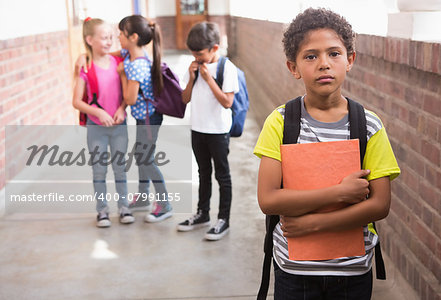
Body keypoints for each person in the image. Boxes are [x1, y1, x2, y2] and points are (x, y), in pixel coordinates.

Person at [253, 8, 401, 299]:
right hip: (294, 271)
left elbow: (380, 205)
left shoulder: (368, 125)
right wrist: (339, 193)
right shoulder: (281, 122)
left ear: (350, 60)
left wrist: (312, 223)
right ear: (293, 67)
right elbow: (268, 199)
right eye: (311, 56)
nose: (324, 64)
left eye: (334, 53)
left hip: (352, 272)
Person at [176, 22, 239, 241]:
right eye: (193, 54)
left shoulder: (226, 68)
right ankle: (202, 213)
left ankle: (223, 219)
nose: (197, 58)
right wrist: (193, 78)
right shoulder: (193, 67)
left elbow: (227, 102)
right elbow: (185, 99)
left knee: (222, 175)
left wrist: (208, 79)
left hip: (218, 131)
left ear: (215, 48)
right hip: (197, 129)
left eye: (200, 53)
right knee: (203, 173)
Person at [72, 18, 134, 227]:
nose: (109, 42)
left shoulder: (118, 64)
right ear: (89, 39)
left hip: (119, 127)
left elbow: (126, 95)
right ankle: (102, 211)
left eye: (111, 38)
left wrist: (121, 109)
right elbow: (76, 101)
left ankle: (124, 207)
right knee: (99, 170)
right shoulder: (86, 67)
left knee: (120, 168)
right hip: (96, 129)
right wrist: (97, 112)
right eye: (104, 38)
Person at [116, 15, 173, 223]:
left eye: (120, 34)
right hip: (144, 118)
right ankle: (142, 196)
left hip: (149, 119)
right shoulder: (131, 53)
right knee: (141, 156)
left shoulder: (137, 65)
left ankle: (165, 203)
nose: (117, 37)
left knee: (145, 158)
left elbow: (130, 99)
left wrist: (122, 74)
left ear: (133, 37)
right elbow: (116, 53)